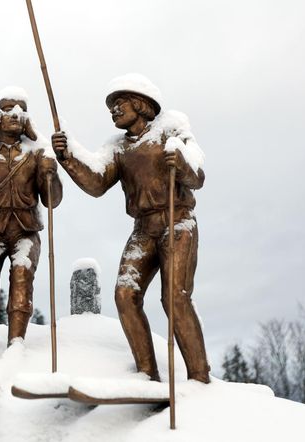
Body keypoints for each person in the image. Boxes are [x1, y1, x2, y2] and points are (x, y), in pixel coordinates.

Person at [51, 73, 210, 383]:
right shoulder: (118, 148)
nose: (114, 110)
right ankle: (147, 375)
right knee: (125, 294)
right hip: (143, 229)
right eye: (112, 107)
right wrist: (67, 155)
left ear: (141, 104)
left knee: (174, 297)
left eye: (119, 104)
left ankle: (199, 376)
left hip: (177, 222)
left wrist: (181, 161)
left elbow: (198, 176)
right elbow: (96, 182)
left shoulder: (171, 130)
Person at [0, 87, 62, 348]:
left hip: (25, 230)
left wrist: (51, 174)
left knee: (22, 273)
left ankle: (16, 343)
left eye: (20, 111)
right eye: (8, 110)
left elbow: (52, 201)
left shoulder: (37, 154)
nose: (15, 115)